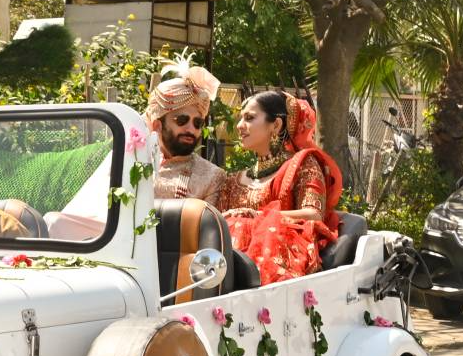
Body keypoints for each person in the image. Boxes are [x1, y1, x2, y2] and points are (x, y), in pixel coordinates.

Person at [217, 90, 343, 284]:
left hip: (278, 265)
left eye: (250, 118)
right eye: (241, 118)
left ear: (276, 125)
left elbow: (314, 214)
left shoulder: (302, 164)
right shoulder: (232, 181)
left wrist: (260, 217)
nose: (240, 126)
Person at [146, 55, 226, 203]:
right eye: (181, 120)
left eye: (197, 123)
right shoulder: (131, 159)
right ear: (157, 125)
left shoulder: (211, 177)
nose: (191, 129)